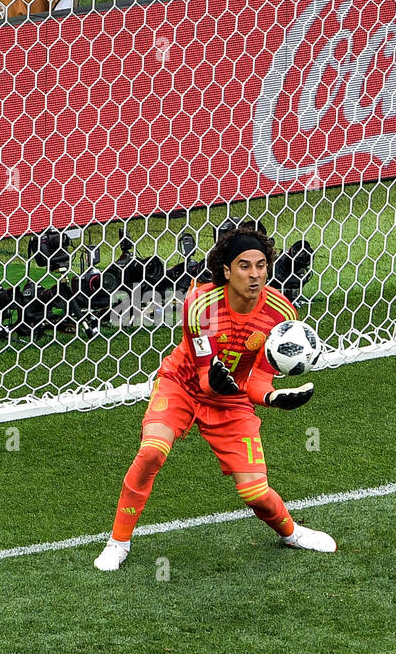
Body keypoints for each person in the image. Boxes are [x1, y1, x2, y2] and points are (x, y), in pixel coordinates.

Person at [94, 225, 336, 571]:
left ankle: (291, 532)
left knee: (255, 493)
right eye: (244, 266)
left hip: (232, 399)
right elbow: (207, 375)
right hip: (183, 384)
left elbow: (258, 378)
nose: (255, 275)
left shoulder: (282, 315)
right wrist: (219, 383)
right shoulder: (200, 303)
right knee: (151, 453)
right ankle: (118, 543)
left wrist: (272, 398)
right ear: (226, 270)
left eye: (261, 265)